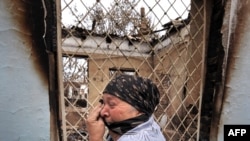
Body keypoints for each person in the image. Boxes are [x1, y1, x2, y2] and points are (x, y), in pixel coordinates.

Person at [86, 74, 166, 141]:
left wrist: (95, 138)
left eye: (111, 104)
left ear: (139, 109)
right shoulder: (148, 124)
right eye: (103, 102)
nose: (103, 111)